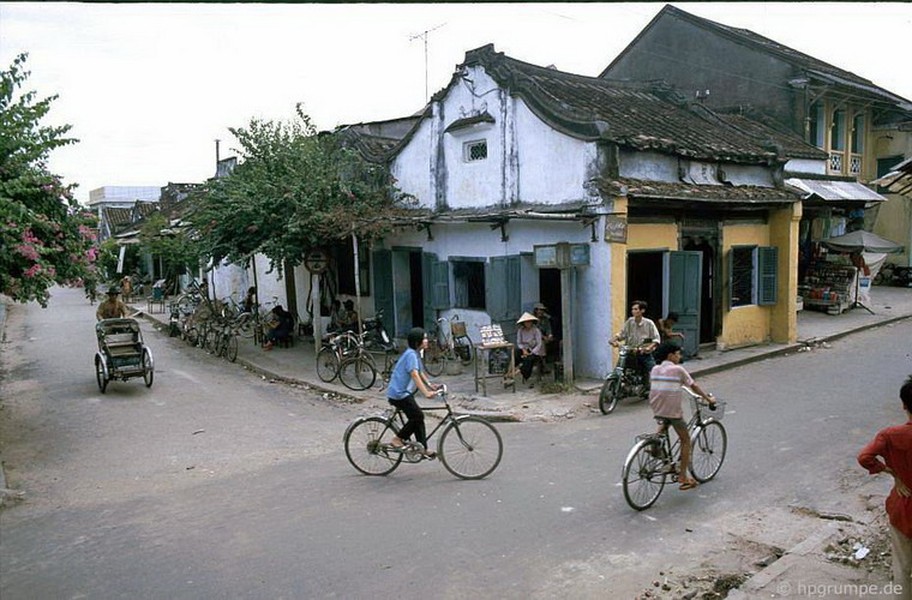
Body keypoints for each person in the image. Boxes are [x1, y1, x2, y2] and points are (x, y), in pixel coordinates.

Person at [858, 376, 912, 599]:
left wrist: (892, 472)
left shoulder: (890, 435)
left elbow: (865, 457)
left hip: (904, 507)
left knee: (903, 567)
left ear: (904, 405)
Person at [649, 342, 714, 491]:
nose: (679, 356)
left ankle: (654, 444)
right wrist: (708, 399)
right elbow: (694, 386)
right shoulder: (678, 370)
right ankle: (683, 477)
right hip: (672, 411)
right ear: (670, 355)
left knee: (665, 421)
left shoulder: (655, 369)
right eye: (678, 354)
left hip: (657, 408)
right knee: (686, 441)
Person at [387, 327, 441, 458]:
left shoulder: (415, 353)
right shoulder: (411, 355)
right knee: (417, 416)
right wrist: (426, 393)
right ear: (418, 342)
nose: (427, 341)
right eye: (424, 339)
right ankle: (397, 439)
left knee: (418, 417)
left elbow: (420, 372)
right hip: (398, 394)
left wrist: (430, 385)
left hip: (404, 392)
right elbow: (414, 374)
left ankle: (423, 449)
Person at [610, 300, 660, 386]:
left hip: (643, 353)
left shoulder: (649, 323)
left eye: (636, 309)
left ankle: (655, 389)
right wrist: (614, 339)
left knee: (654, 371)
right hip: (629, 352)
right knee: (619, 368)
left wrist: (649, 348)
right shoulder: (630, 321)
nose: (633, 311)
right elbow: (622, 334)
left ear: (642, 311)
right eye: (632, 309)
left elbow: (656, 339)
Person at [512, 312, 544, 384]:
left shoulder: (536, 331)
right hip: (524, 349)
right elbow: (519, 342)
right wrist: (523, 350)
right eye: (526, 322)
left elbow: (539, 344)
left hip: (535, 352)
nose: (528, 323)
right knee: (515, 353)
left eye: (529, 322)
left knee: (529, 359)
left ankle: (520, 371)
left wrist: (531, 352)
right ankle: (511, 369)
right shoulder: (520, 331)